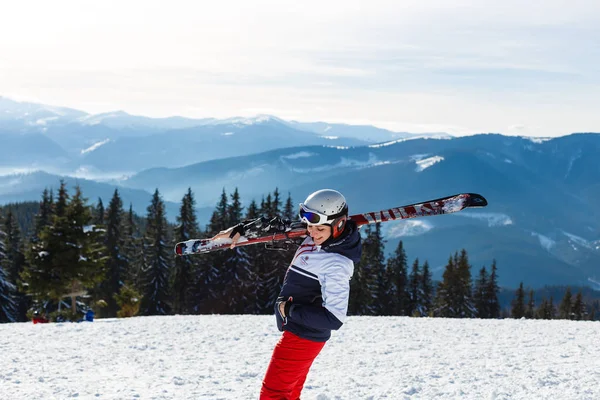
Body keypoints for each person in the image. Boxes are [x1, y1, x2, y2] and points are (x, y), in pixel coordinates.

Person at [213, 189, 362, 399]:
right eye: (310, 226)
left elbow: (335, 318)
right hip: (300, 334)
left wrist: (289, 310)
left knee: (273, 394)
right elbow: (277, 227)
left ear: (338, 226)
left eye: (319, 228)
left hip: (303, 338)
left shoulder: (336, 263)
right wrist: (241, 229)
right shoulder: (321, 238)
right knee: (289, 394)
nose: (312, 233)